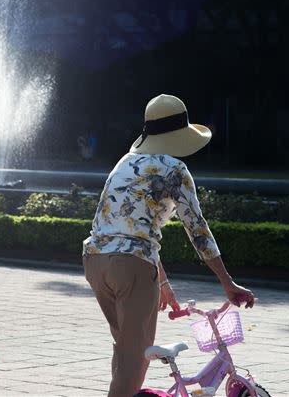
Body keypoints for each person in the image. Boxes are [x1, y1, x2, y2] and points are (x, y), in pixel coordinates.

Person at [82, 94, 255, 397]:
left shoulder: (126, 162)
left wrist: (162, 281)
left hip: (95, 261)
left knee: (125, 352)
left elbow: (130, 228)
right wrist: (227, 283)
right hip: (132, 267)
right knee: (136, 360)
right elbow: (197, 230)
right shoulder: (174, 169)